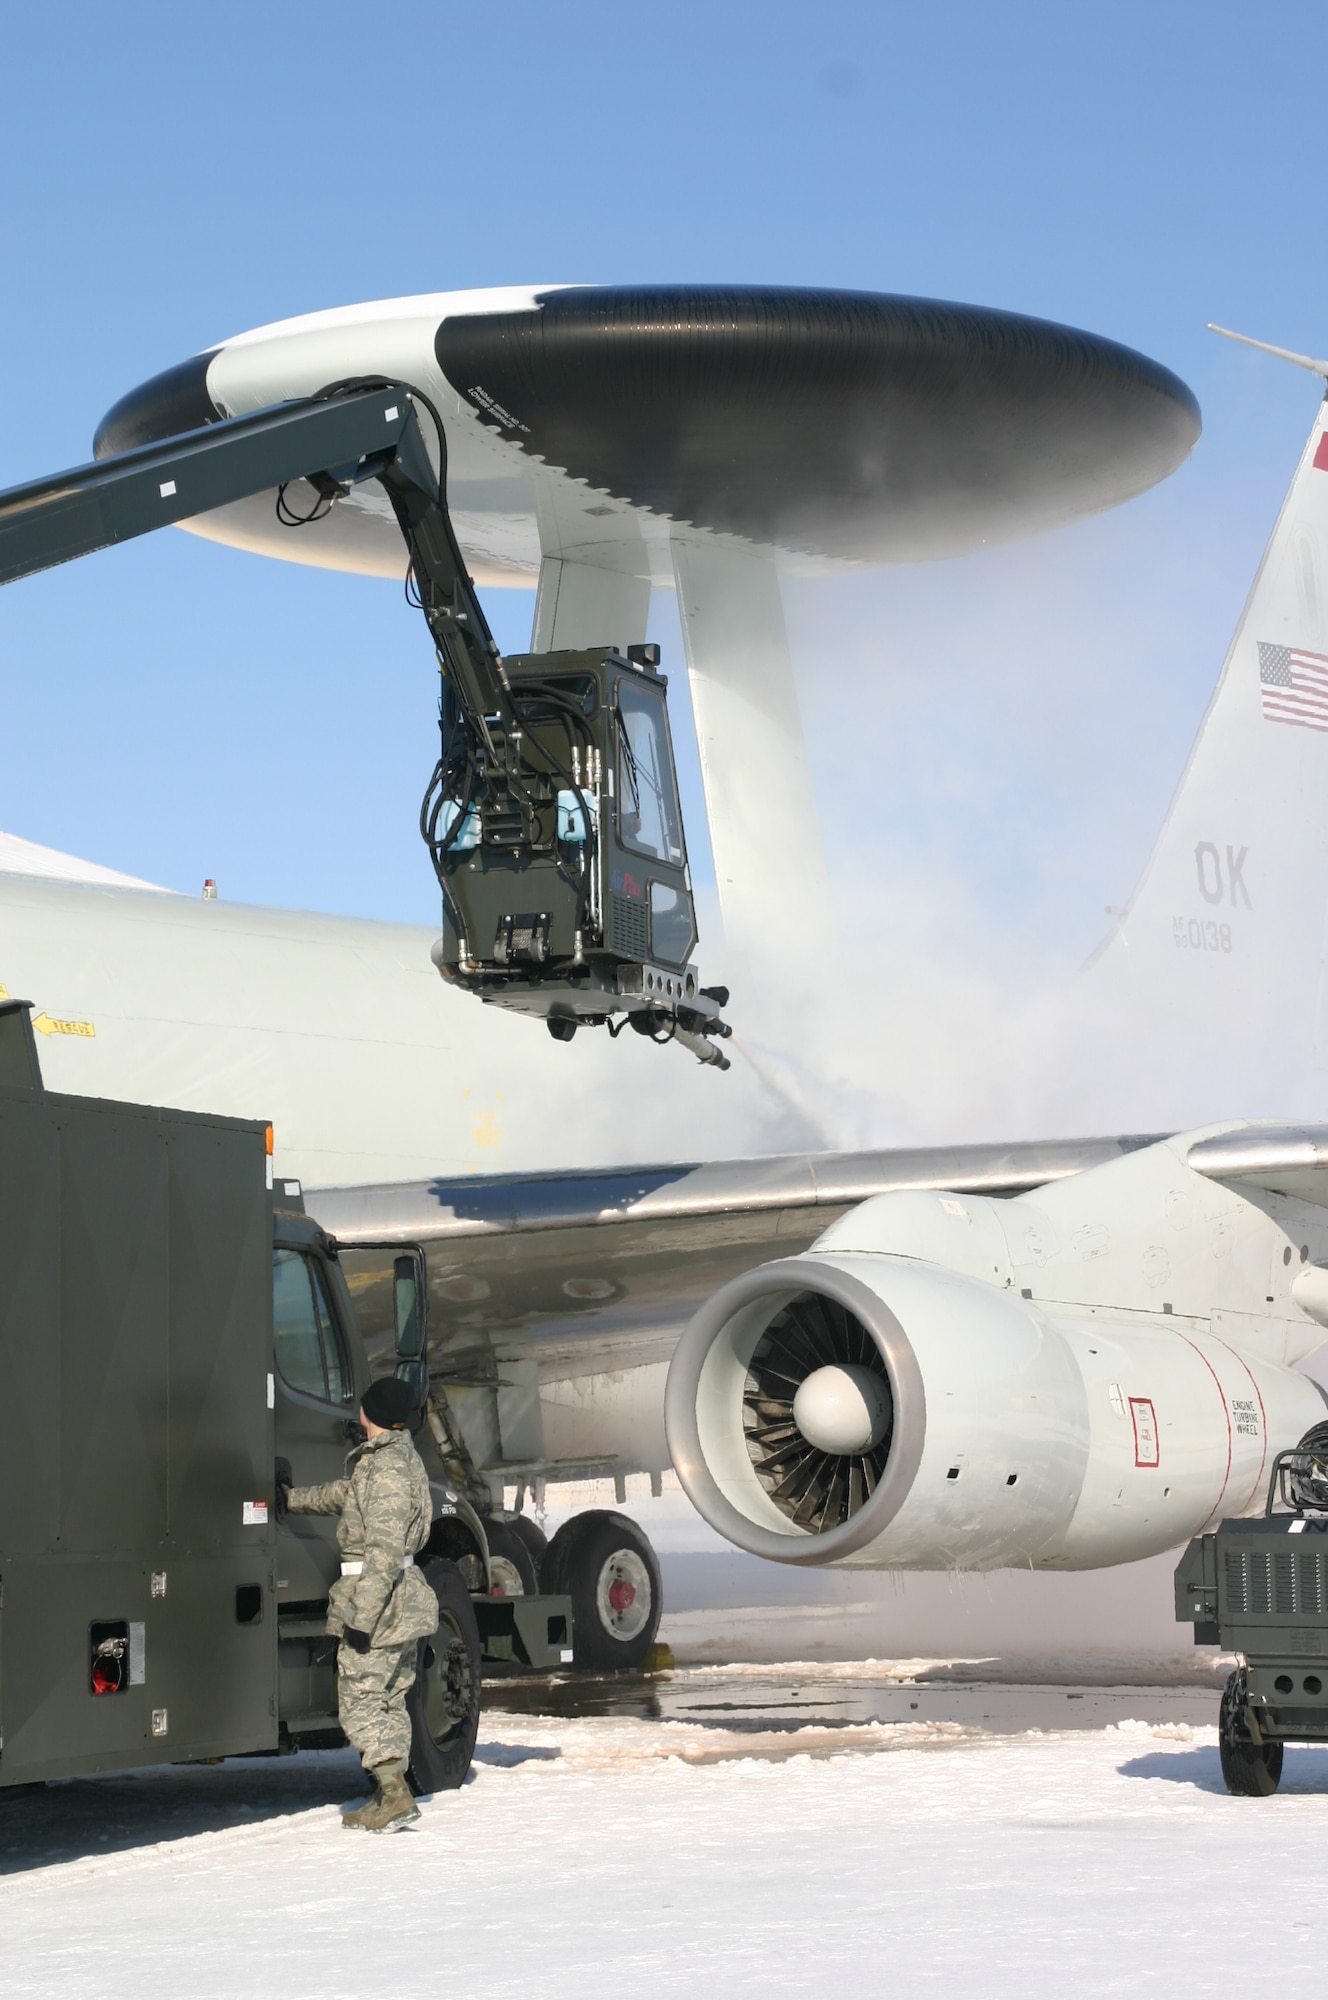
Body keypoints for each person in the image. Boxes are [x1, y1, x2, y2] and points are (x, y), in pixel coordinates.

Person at [281, 1376, 439, 1832]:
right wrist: (290, 1499)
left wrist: (361, 1618)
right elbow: (342, 1496)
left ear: (372, 1413)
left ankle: (393, 1794)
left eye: (362, 1406)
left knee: (359, 1703)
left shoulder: (387, 1472)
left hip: (381, 1605)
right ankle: (390, 1792)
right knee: (389, 1699)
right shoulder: (386, 1462)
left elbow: (384, 1553)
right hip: (399, 1604)